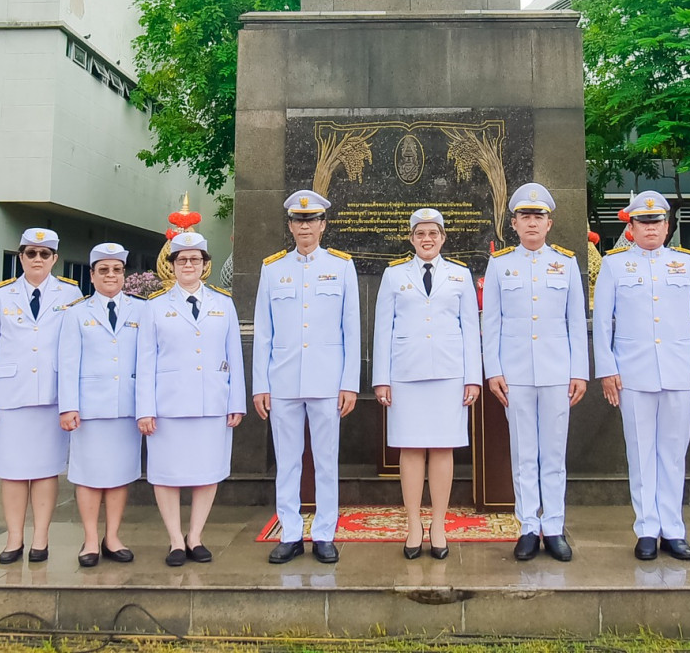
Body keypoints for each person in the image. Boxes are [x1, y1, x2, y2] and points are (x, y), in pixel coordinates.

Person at [592, 190, 690, 562]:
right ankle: (646, 528)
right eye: (643, 222)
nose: (650, 227)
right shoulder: (614, 265)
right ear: (631, 226)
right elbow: (602, 322)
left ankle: (673, 529)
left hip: (679, 371)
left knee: (673, 454)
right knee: (641, 453)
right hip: (633, 372)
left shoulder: (686, 264)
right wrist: (607, 369)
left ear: (667, 225)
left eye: (656, 221)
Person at [481, 182, 588, 563]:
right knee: (524, 452)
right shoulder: (500, 264)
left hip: (558, 371)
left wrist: (580, 371)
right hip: (515, 373)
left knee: (554, 454)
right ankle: (528, 526)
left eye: (538, 216)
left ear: (549, 223)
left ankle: (554, 526)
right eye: (524, 216)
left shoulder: (566, 263)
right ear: (513, 223)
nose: (531, 223)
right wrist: (493, 370)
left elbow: (576, 322)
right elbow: (491, 322)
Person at [252, 190, 361, 565]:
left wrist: (349, 383)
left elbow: (351, 329)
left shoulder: (342, 266)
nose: (305, 227)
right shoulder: (273, 269)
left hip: (327, 381)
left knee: (327, 460)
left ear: (323, 225)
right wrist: (261, 385)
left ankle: (325, 533)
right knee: (287, 461)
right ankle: (291, 533)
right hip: (283, 380)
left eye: (311, 220)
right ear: (290, 226)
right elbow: (263, 332)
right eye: (299, 221)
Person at [372, 208, 482, 559]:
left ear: (443, 238)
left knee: (443, 448)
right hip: (406, 374)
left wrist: (473, 378)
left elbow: (470, 329)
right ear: (411, 238)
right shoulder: (394, 275)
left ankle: (438, 524)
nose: (427, 239)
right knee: (410, 449)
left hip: (449, 374)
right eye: (420, 233)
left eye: (433, 233)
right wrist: (381, 379)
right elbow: (383, 328)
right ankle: (413, 525)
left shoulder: (460, 275)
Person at [137, 231, 246, 567]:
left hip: (212, 402)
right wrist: (144, 409)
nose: (188, 265)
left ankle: (195, 536)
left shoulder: (223, 304)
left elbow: (234, 355)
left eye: (195, 259)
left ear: (205, 265)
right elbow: (145, 361)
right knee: (166, 473)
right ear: (172, 265)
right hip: (168, 405)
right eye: (181, 259)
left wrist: (236, 402)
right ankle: (175, 539)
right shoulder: (155, 307)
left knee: (208, 471)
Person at [0, 227, 76, 564]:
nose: (37, 259)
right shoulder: (1, 296)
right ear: (21, 257)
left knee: (46, 470)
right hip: (10, 397)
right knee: (12, 470)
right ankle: (14, 538)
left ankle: (41, 538)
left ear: (54, 259)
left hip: (51, 396)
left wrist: (72, 401)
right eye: (30, 253)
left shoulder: (70, 294)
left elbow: (74, 350)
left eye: (44, 254)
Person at [58, 243, 142, 568]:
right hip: (89, 409)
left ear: (124, 274)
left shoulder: (141, 310)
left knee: (120, 474)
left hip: (126, 407)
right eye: (103, 270)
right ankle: (91, 539)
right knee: (89, 474)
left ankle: (113, 537)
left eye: (117, 270)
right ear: (92, 275)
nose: (110, 275)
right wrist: (68, 406)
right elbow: (68, 364)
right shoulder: (77, 313)